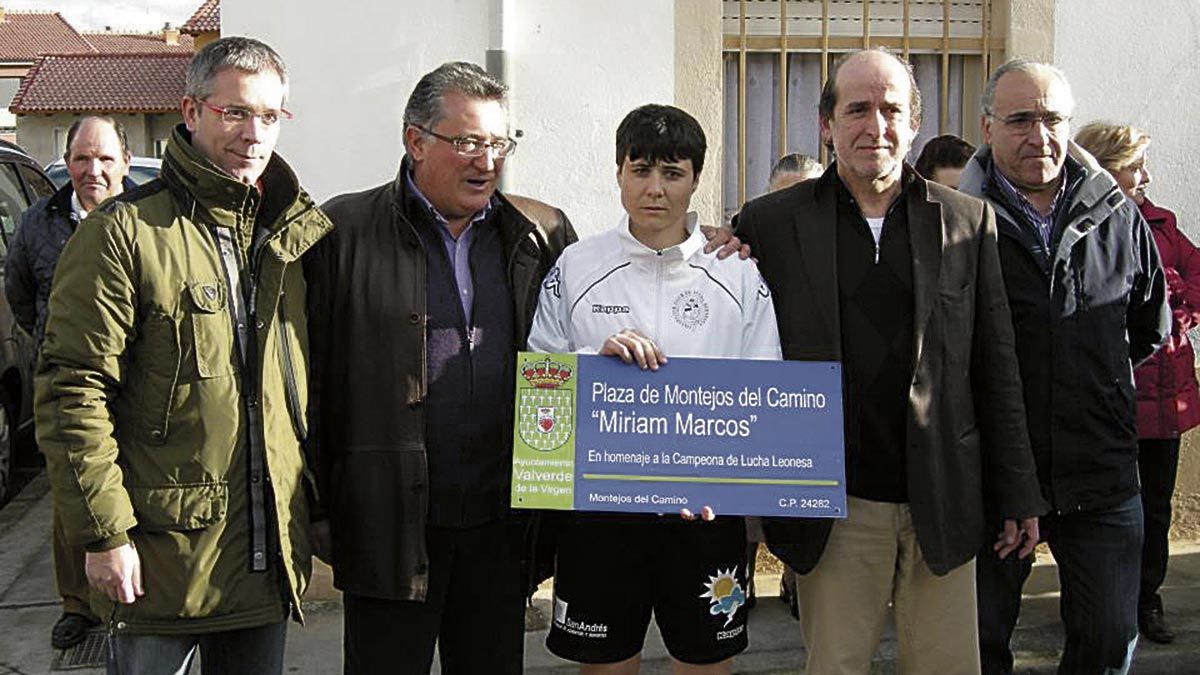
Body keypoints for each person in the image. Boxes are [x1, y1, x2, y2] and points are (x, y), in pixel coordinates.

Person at [735, 48, 1046, 675]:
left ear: (913, 124)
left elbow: (996, 366)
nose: (874, 126)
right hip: (836, 504)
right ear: (825, 125)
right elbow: (727, 327)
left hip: (945, 499)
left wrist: (1018, 491)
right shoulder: (769, 223)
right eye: (857, 109)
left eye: (891, 109)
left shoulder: (967, 221)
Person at [35, 36, 330, 674]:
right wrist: (104, 534)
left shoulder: (291, 237)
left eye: (270, 117)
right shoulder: (123, 233)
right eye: (235, 113)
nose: (254, 134)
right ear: (191, 112)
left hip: (261, 561)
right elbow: (72, 392)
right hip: (155, 567)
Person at [527, 104, 781, 675]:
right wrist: (596, 363)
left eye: (672, 173)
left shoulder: (737, 271)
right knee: (607, 665)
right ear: (617, 172)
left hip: (705, 519)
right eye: (640, 170)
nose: (655, 189)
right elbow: (539, 380)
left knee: (705, 664)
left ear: (695, 179)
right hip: (601, 516)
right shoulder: (577, 265)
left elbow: (767, 389)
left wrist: (733, 484)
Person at [959, 61, 1170, 675]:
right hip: (992, 478)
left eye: (1052, 119)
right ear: (987, 127)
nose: (1038, 136)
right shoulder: (951, 220)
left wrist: (1089, 389)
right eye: (1020, 119)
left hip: (1099, 473)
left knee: (1107, 640)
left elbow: (1145, 328)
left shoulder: (1119, 215)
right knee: (976, 644)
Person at [4, 115, 133, 650]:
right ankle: (77, 605)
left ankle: (133, 595)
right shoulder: (40, 222)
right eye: (81, 159)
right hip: (65, 384)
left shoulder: (145, 217)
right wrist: (57, 350)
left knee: (131, 486)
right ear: (68, 164)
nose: (93, 170)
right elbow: (20, 291)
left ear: (125, 163)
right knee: (71, 494)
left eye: (104, 159)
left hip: (132, 381)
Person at [1074, 121, 1197, 645]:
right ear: (1106, 168)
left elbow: (1196, 276)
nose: (1145, 176)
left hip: (1164, 395)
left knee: (1157, 506)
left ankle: (1148, 598)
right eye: (1134, 167)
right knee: (1107, 512)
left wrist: (1178, 309)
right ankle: (1104, 604)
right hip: (1112, 395)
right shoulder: (1085, 226)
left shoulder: (1162, 225)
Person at [746, 151, 823, 618]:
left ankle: (797, 577)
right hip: (759, 384)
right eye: (785, 195)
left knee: (803, 494)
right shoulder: (745, 240)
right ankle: (745, 579)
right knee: (750, 500)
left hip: (809, 388)